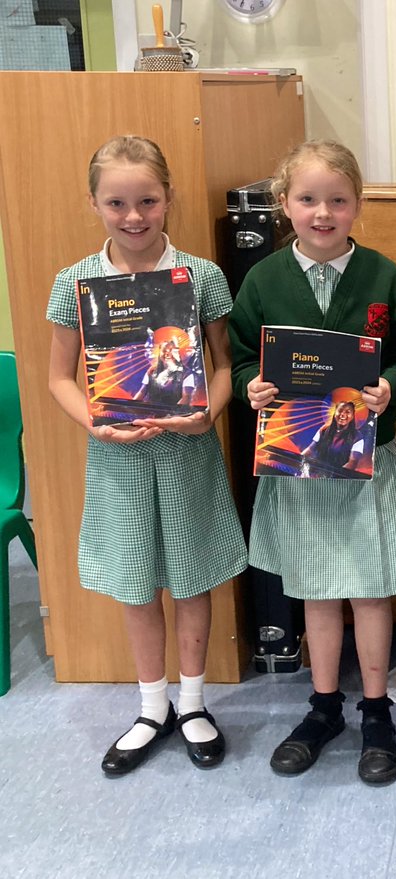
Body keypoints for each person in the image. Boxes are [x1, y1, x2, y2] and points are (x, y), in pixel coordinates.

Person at [228, 140, 396, 785]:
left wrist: (389, 388)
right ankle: (323, 709)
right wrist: (249, 388)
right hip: (298, 465)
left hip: (367, 462)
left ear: (357, 205)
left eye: (338, 201)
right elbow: (238, 359)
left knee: (369, 591)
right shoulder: (263, 279)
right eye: (308, 199)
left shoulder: (383, 275)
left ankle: (376, 711)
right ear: (284, 204)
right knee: (315, 591)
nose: (323, 213)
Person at [46, 135, 248, 776]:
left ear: (168, 199)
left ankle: (193, 703)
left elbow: (224, 365)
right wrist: (96, 424)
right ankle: (150, 706)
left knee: (190, 576)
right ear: (94, 203)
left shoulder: (201, 277)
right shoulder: (74, 281)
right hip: (119, 456)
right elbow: (59, 377)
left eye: (148, 201)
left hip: (186, 452)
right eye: (117, 203)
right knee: (136, 582)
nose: (134, 216)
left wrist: (207, 413)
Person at [303, 400, 364, 471]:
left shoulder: (357, 437)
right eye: (340, 410)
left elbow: (352, 463)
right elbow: (310, 450)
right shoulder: (324, 429)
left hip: (338, 477)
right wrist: (298, 460)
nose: (343, 414)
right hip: (317, 473)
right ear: (335, 413)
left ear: (353, 416)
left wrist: (333, 477)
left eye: (347, 412)